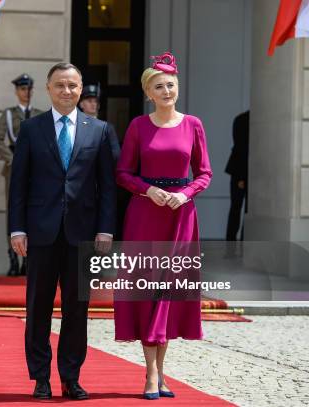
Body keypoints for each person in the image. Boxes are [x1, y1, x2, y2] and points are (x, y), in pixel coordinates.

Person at [9, 62, 116, 400]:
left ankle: (71, 376)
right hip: (40, 233)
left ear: (81, 88)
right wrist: (17, 229)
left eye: (72, 85)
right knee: (37, 308)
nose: (67, 91)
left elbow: (108, 188)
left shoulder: (100, 130)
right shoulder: (31, 129)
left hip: (82, 234)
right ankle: (40, 377)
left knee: (76, 310)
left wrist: (106, 231)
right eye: (60, 85)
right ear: (48, 88)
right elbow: (19, 185)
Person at [113, 52, 212, 400]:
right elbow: (122, 173)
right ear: (148, 93)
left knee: (169, 293)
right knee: (147, 292)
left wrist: (185, 194)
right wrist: (149, 189)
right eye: (159, 86)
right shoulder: (139, 126)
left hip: (181, 217)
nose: (166, 90)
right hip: (145, 215)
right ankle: (151, 372)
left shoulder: (194, 124)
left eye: (170, 85)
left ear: (178, 88)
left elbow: (205, 173)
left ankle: (160, 371)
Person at [0, 73, 43, 276]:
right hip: (13, 167)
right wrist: (11, 158)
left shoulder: (39, 114)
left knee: (34, 212)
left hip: (36, 169)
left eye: (28, 89)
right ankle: (13, 260)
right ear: (16, 91)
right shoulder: (9, 114)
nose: (25, 92)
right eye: (22, 89)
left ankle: (28, 261)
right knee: (14, 211)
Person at [78, 84, 129, 241]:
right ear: (81, 104)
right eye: (89, 100)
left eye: (95, 101)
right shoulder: (73, 126)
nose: (93, 104)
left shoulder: (106, 128)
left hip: (98, 189)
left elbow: (116, 159)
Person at [225, 110, 249, 243]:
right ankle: (232, 242)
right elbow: (241, 148)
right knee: (237, 208)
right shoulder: (243, 119)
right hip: (240, 170)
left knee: (240, 209)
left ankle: (238, 242)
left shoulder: (240, 118)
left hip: (244, 170)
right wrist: (241, 177)